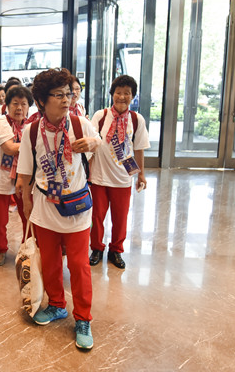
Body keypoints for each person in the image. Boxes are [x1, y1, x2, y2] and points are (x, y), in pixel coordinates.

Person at [16, 68, 100, 350]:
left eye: (68, 94)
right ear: (41, 100)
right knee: (50, 262)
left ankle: (83, 318)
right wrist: (27, 206)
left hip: (77, 208)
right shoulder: (31, 131)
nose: (66, 100)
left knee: (79, 265)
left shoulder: (79, 124)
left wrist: (93, 142)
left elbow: (98, 142)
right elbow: (25, 173)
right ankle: (56, 304)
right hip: (45, 207)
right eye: (59, 95)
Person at [88, 75, 150, 269]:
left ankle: (116, 250)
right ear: (112, 94)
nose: (122, 97)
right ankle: (97, 248)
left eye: (127, 93)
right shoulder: (100, 116)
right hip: (99, 176)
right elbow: (90, 143)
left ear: (132, 96)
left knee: (120, 218)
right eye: (118, 92)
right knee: (97, 216)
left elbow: (139, 148)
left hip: (123, 178)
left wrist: (141, 174)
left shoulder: (136, 120)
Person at [0, 85, 32, 266]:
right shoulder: (1, 123)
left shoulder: (30, 126)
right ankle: (1, 249)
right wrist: (30, 145)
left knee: (28, 215)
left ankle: (26, 249)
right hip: (1, 178)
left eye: (23, 104)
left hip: (24, 178)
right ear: (7, 105)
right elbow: (9, 148)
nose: (19, 108)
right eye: (15, 103)